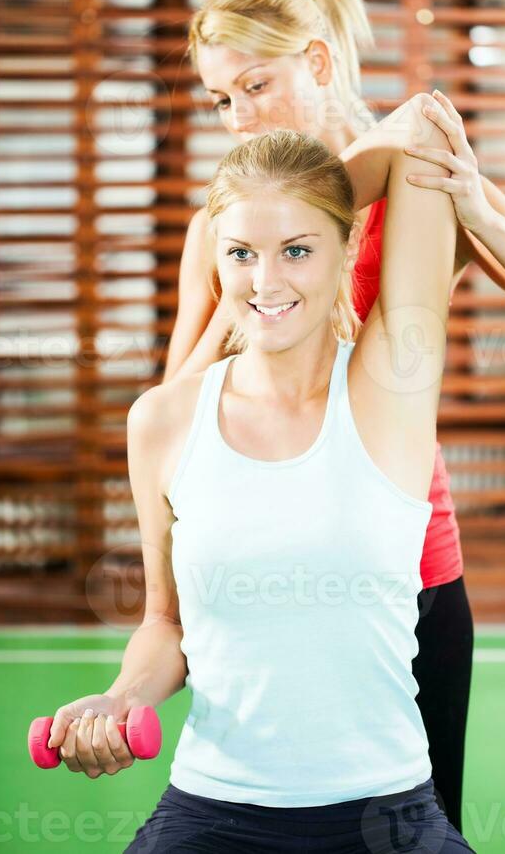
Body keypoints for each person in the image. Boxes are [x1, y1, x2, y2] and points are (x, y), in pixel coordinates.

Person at [159, 0, 505, 832]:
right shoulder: (218, 228)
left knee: (419, 825)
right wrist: (248, 283)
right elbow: (171, 409)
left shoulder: (421, 182)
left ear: (321, 63)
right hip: (272, 573)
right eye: (223, 101)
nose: (240, 118)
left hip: (413, 575)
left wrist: (478, 212)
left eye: (256, 85)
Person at [49, 102, 478, 851]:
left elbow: (423, 141)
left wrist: (307, 175)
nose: (265, 279)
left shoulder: (393, 391)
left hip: (389, 813)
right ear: (214, 256)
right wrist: (121, 699)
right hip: (213, 810)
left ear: (347, 252)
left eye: (298, 250)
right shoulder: (160, 421)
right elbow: (165, 624)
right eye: (241, 251)